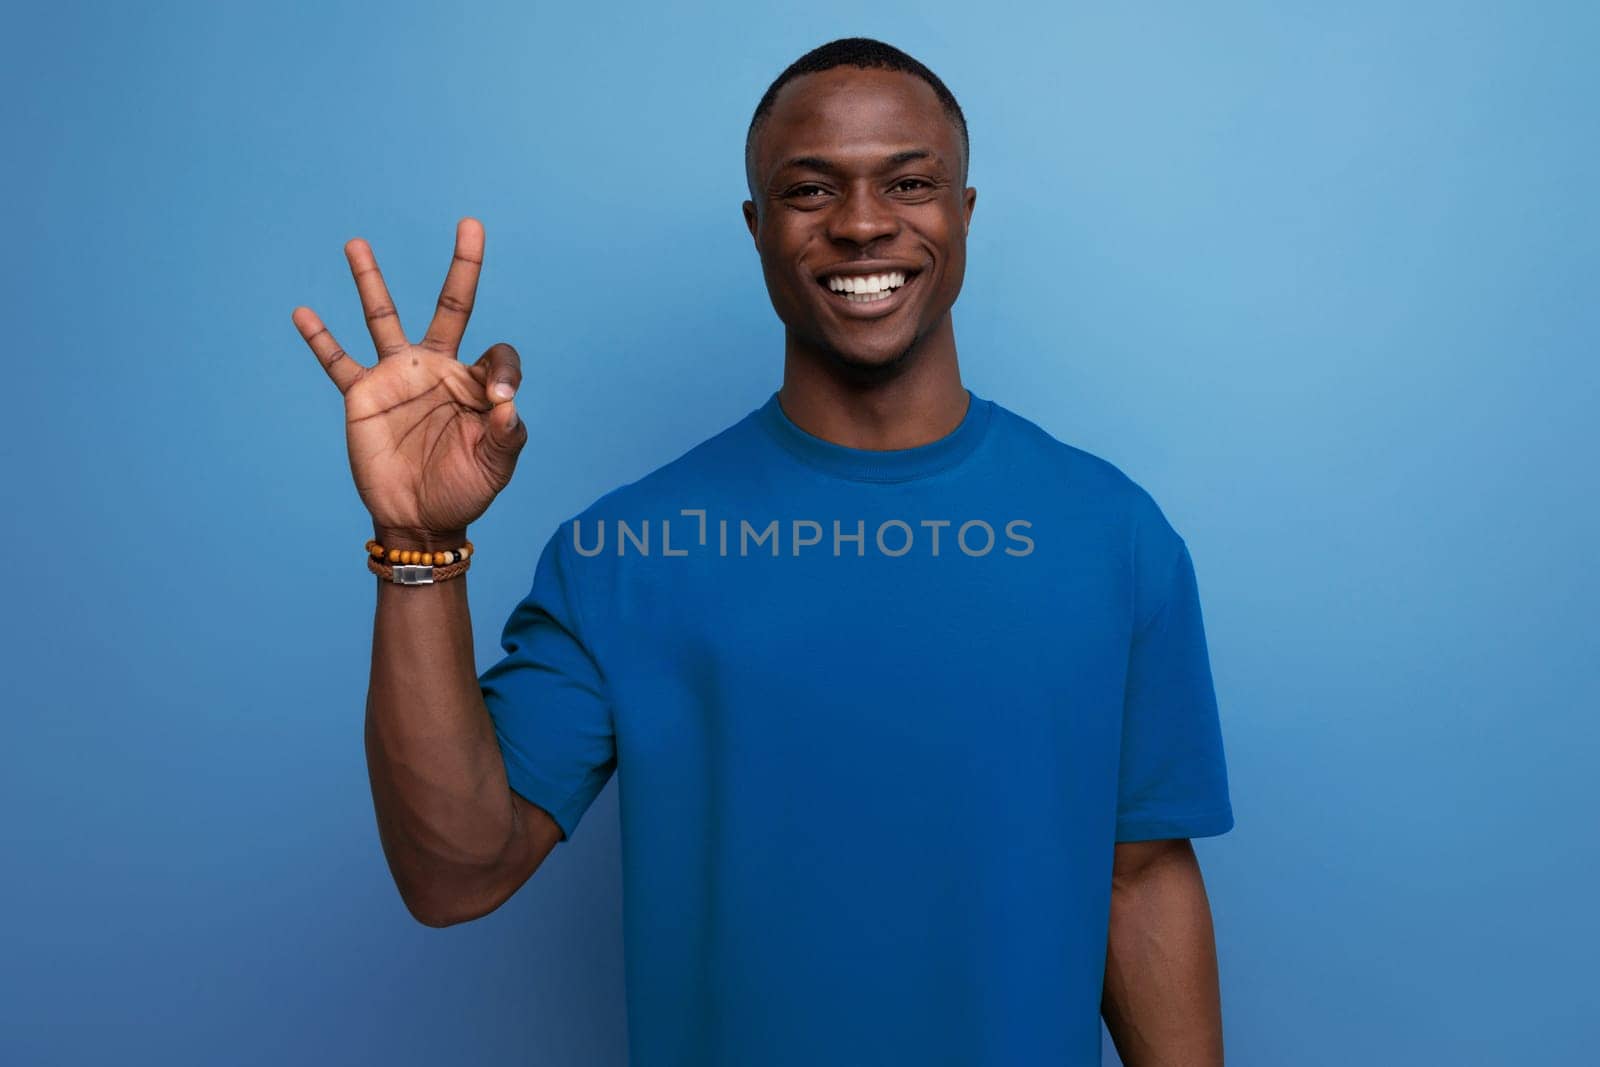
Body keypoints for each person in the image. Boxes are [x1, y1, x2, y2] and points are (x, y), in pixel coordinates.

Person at [292, 35, 1234, 1067]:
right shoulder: (627, 549)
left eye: (909, 182)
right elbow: (454, 872)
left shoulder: (1112, 533)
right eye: (810, 188)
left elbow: (1139, 877)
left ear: (962, 214)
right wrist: (418, 543)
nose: (864, 221)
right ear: (757, 227)